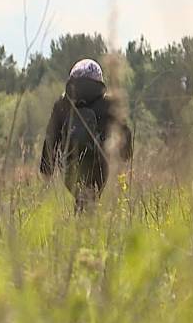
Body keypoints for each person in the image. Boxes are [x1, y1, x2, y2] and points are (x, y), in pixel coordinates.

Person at [40, 59, 132, 213]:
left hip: (70, 166)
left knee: (82, 199)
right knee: (91, 200)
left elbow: (51, 139)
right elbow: (125, 135)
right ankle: (86, 229)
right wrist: (125, 157)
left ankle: (81, 227)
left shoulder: (62, 105)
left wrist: (46, 169)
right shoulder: (108, 105)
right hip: (99, 165)